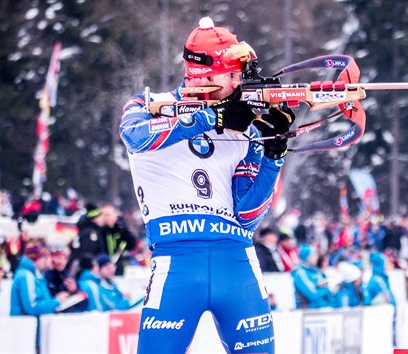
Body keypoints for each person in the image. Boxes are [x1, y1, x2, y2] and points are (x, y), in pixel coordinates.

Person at [119, 17, 294, 354]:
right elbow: (135, 138)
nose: (238, 82)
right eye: (231, 75)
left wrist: (274, 155)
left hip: (238, 263)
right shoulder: (145, 105)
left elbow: (246, 216)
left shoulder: (246, 128)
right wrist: (209, 118)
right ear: (205, 75)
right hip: (175, 265)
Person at [10, 242, 68, 316]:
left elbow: (42, 300)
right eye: (44, 258)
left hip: (33, 325)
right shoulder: (26, 276)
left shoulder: (35, 275)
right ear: (36, 259)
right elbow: (32, 307)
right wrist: (56, 301)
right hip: (26, 326)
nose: (46, 261)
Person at [45, 245, 87, 312]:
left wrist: (74, 291)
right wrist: (56, 300)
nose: (62, 261)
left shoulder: (69, 276)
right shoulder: (45, 277)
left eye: (65, 258)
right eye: (58, 257)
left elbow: (84, 304)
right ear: (51, 258)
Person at [291, 244, 333, 309]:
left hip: (323, 310)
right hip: (308, 313)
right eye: (314, 255)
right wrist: (328, 288)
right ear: (307, 257)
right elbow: (312, 294)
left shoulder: (317, 271)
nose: (317, 257)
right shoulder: (300, 273)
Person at [100, 203, 137, 275]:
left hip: (120, 266)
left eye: (109, 214)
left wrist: (124, 229)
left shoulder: (120, 230)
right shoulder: (99, 231)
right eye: (105, 215)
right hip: (104, 268)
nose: (108, 217)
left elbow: (132, 244)